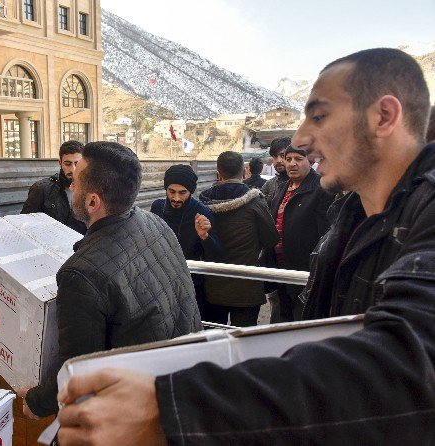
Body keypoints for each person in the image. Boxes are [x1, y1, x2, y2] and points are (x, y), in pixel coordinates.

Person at [55, 48, 435, 445]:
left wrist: (172, 408)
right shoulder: (353, 212)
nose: (302, 139)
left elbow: (413, 361)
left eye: (319, 116)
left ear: (384, 117)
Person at [18, 141, 202, 419]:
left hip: (135, 410)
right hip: (179, 386)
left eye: (77, 183)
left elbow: (78, 368)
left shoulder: (81, 274)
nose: (72, 188)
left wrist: (36, 402)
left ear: (93, 201)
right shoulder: (155, 223)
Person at [200, 151, 278, 326]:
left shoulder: (202, 203)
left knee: (215, 341)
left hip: (213, 285)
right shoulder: (256, 202)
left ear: (218, 173)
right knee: (244, 343)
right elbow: (271, 239)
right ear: (244, 171)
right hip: (247, 287)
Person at [264, 145, 334, 321]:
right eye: (288, 159)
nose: (292, 164)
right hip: (280, 269)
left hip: (305, 272)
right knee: (282, 320)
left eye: (298, 159)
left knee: (301, 321)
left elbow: (326, 235)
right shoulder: (281, 188)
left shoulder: (321, 189)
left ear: (309, 161)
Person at [150, 164, 223, 311]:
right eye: (172, 191)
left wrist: (204, 236)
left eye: (182, 193)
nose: (176, 198)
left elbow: (217, 254)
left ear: (190, 191)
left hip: (192, 286)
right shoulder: (157, 207)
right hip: (160, 283)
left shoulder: (202, 212)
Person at [21, 140, 86, 234]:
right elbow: (25, 224)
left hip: (82, 247)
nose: (73, 169)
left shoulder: (91, 190)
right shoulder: (41, 189)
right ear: (60, 163)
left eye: (77, 163)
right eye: (67, 164)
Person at [260, 136, 291, 206]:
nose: (278, 161)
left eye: (282, 155)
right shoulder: (269, 185)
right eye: (275, 156)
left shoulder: (302, 183)